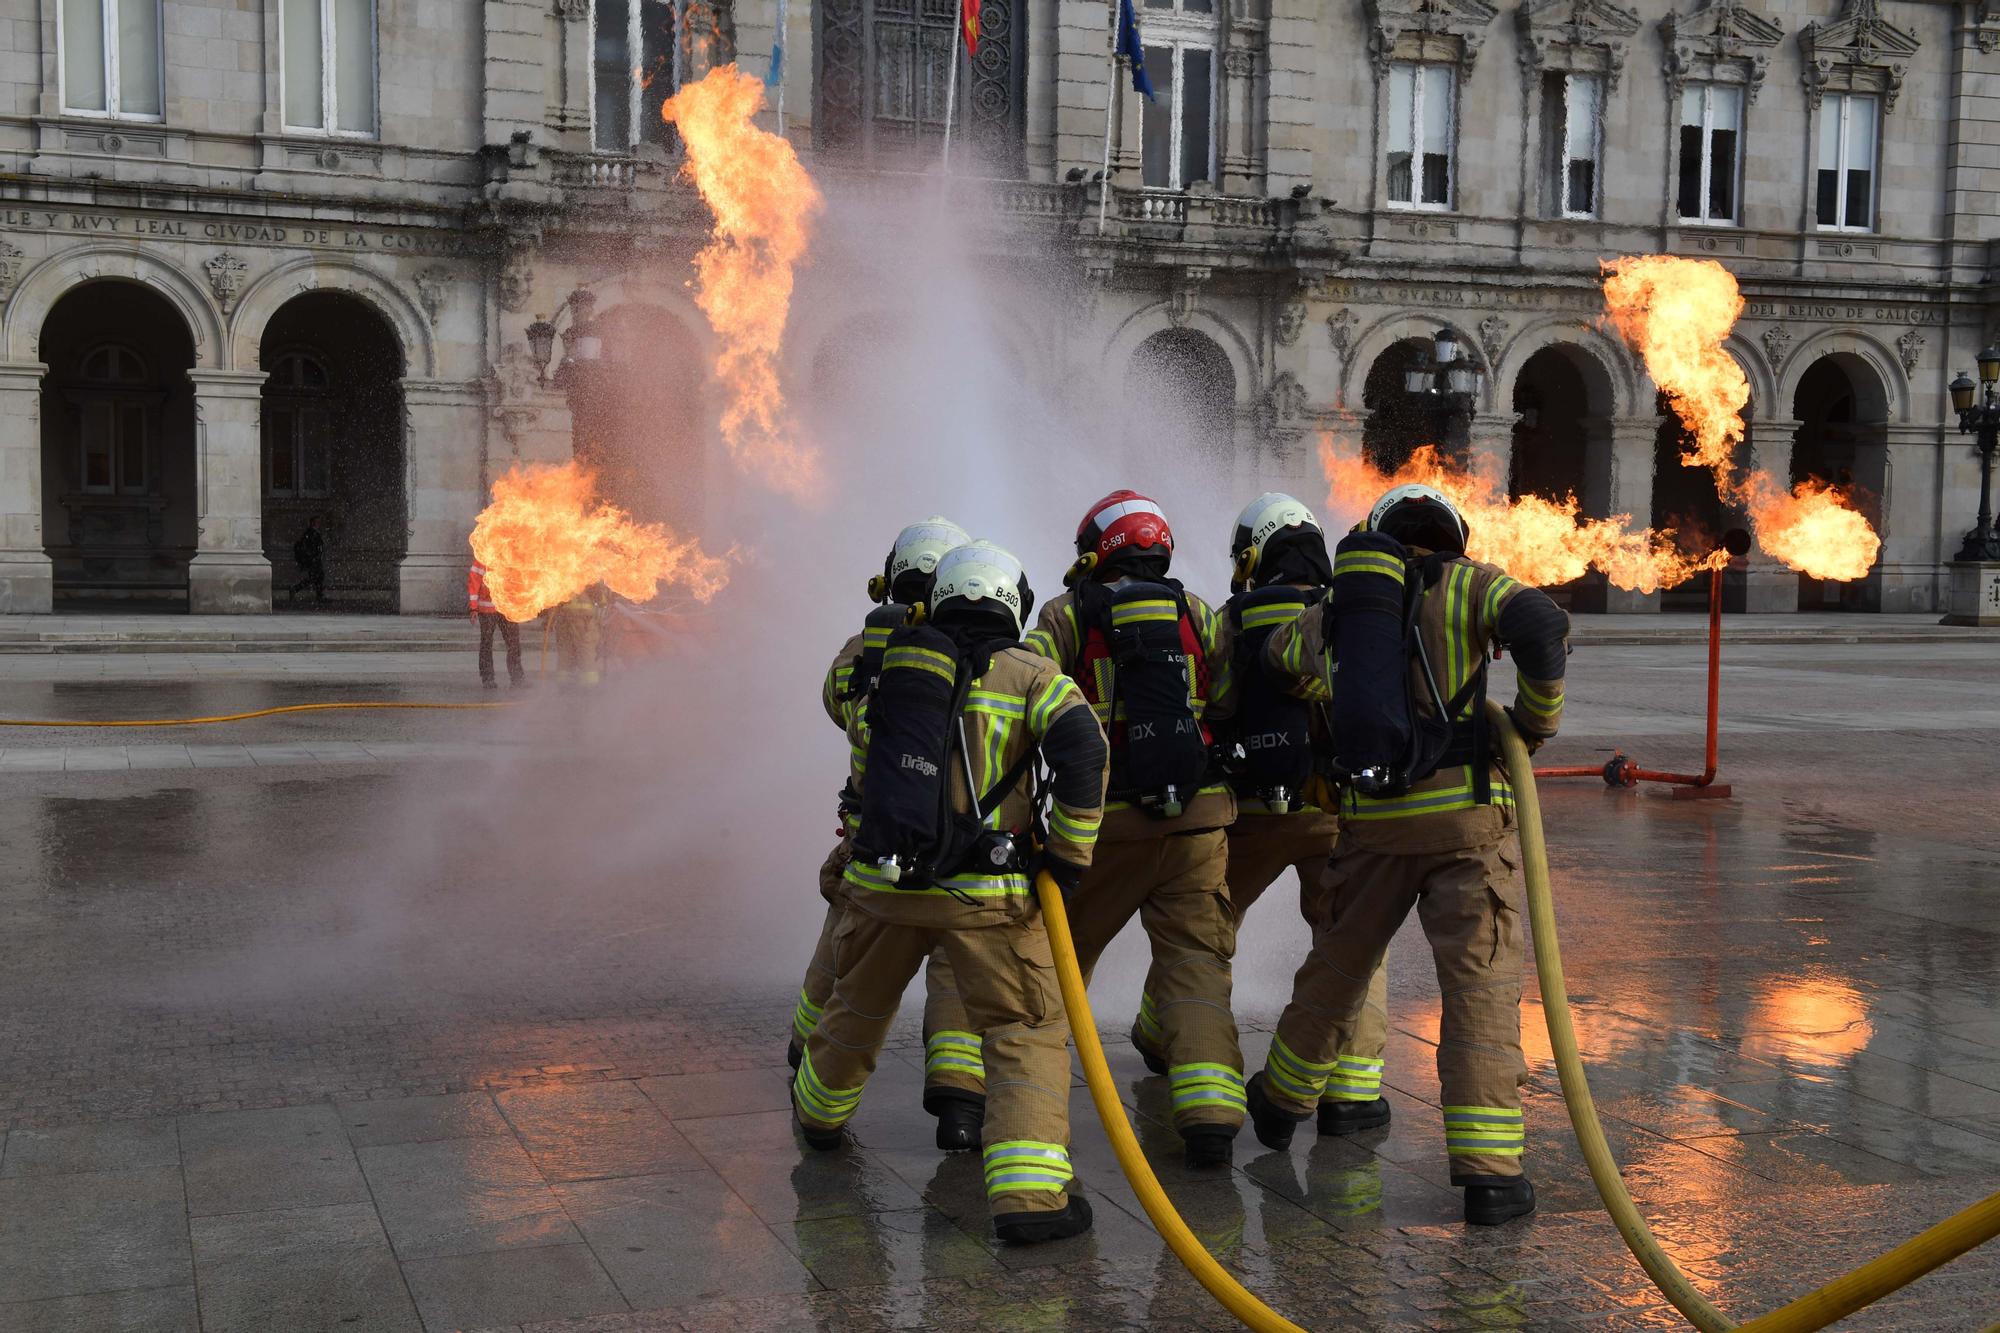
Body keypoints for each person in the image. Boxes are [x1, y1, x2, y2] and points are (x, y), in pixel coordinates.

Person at [1244, 484, 1569, 1228]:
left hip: (1374, 826)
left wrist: (1337, 688)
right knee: (1479, 990)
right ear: (1452, 534)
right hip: (1466, 827)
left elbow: (1278, 658)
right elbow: (1541, 624)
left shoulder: (1348, 603)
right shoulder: (1471, 585)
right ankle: (1490, 1176)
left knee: (1337, 970)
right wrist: (1531, 723)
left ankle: (1281, 1101)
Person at [794, 541, 1109, 1244]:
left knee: (858, 1006)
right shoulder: (1034, 675)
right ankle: (1030, 1200)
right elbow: (1086, 752)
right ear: (1012, 603)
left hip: (884, 886)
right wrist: (1068, 856)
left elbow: (849, 728)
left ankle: (817, 1115)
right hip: (988, 897)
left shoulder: (888, 669)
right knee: (1024, 1029)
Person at [1129, 493, 1396, 1137]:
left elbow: (1212, 701)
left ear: (1254, 554)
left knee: (1201, 930)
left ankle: (1163, 1035)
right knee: (1351, 938)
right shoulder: (1347, 615)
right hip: (1334, 810)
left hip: (1248, 812)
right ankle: (1352, 1090)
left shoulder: (1231, 618)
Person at [1023, 490, 1245, 1169]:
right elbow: (1227, 699)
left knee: (1052, 967)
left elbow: (1023, 689)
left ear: (1096, 550)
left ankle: (1015, 1115)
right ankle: (1211, 1116)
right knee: (1196, 965)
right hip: (1196, 824)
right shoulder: (1196, 612)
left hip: (1103, 827)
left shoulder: (1065, 615)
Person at [788, 517, 995, 1152]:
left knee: (844, 958)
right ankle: (959, 1105)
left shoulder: (867, 648)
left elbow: (837, 704)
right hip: (963, 855)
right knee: (957, 973)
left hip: (875, 843)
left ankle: (808, 1059)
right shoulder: (989, 654)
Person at [467, 555, 527, 689]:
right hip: (487, 609)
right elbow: (474, 582)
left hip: (507, 608)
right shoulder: (483, 557)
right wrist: (473, 607)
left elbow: (518, 582)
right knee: (487, 643)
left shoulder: (510, 556)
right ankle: (488, 678)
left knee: (513, 642)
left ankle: (517, 677)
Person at [551, 583, 608, 686]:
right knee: (586, 653)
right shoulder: (588, 577)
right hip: (584, 620)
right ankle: (589, 685)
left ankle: (563, 684)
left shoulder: (560, 577)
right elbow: (601, 600)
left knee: (565, 653)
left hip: (563, 618)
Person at [290, 516, 327, 604]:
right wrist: (313, 557)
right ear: (312, 523)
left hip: (315, 560)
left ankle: (319, 595)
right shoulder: (310, 533)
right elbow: (310, 547)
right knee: (315, 577)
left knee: (317, 577)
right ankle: (296, 589)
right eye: (317, 522)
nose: (318, 524)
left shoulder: (313, 533)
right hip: (313, 560)